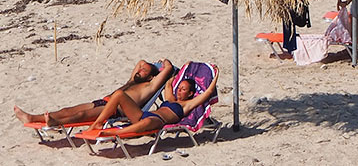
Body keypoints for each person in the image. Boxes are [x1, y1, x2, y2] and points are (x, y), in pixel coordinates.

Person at [13, 59, 175, 129]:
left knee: (83, 114)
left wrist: (163, 63)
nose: (140, 70)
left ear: (151, 76)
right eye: (140, 69)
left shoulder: (149, 86)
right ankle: (32, 117)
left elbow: (168, 69)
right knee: (67, 110)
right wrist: (149, 65)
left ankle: (56, 123)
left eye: (144, 70)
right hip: (103, 101)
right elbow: (140, 61)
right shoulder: (133, 81)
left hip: (115, 109)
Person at [85, 70, 217, 136]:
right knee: (119, 94)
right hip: (142, 115)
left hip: (158, 120)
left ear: (190, 94)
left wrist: (215, 75)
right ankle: (97, 124)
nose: (179, 91)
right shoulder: (171, 99)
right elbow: (169, 84)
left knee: (148, 122)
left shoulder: (187, 105)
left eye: (183, 90)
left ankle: (113, 133)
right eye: (179, 88)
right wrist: (182, 70)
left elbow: (207, 92)